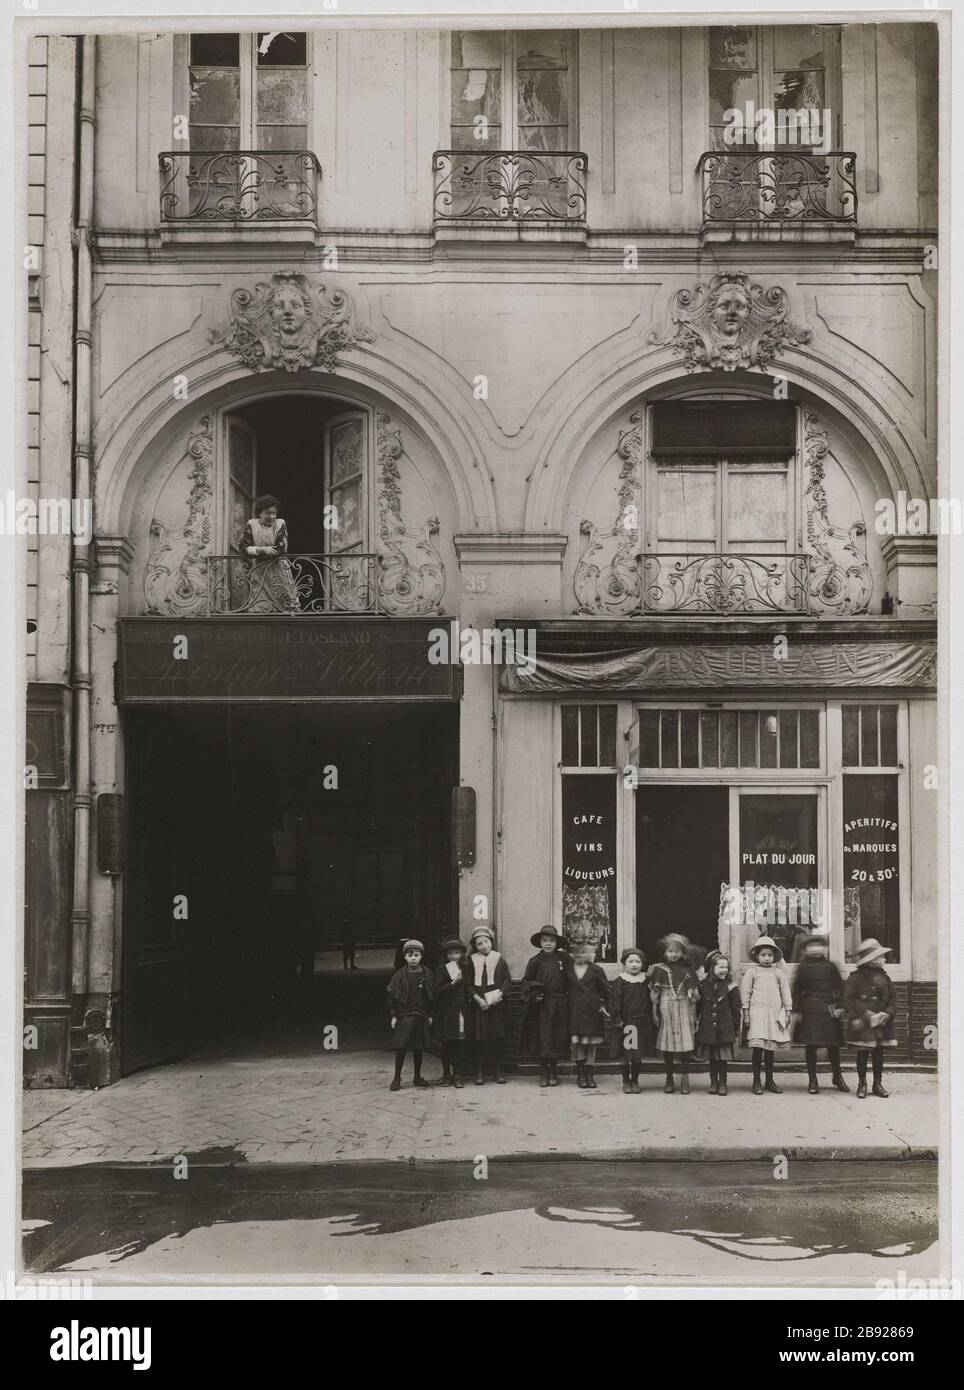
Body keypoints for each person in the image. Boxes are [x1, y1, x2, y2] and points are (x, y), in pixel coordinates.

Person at [791, 932, 849, 1094]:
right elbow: (796, 989)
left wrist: (840, 1006)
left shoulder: (831, 966)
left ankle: (837, 1076)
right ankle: (812, 1080)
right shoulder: (802, 968)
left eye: (820, 946)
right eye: (812, 946)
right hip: (809, 1009)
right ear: (806, 949)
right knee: (812, 1045)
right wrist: (797, 1010)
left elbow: (841, 988)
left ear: (825, 948)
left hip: (829, 1009)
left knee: (833, 1045)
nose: (816, 949)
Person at [844, 938, 898, 1099]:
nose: (884, 959)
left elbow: (893, 998)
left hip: (881, 1022)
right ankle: (862, 1084)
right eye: (881, 957)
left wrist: (888, 1013)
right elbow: (849, 1000)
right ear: (871, 960)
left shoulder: (885, 978)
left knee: (878, 1054)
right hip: (864, 1023)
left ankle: (877, 1084)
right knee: (862, 1054)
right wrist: (863, 1015)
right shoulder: (856, 978)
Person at [518, 925, 570, 1088]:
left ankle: (554, 1071)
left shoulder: (564, 959)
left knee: (556, 1036)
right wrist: (535, 994)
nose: (548, 944)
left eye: (551, 941)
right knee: (543, 1037)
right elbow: (526, 981)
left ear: (557, 943)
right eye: (545, 940)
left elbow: (572, 979)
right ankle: (544, 1072)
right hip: (541, 1005)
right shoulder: (535, 961)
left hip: (560, 1003)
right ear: (540, 942)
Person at [648, 933, 699, 1095]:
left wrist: (693, 995)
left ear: (683, 953)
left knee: (684, 1046)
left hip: (684, 1007)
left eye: (677, 951)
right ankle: (669, 1078)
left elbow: (695, 993)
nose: (674, 954)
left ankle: (684, 1076)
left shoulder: (688, 970)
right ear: (665, 952)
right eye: (670, 951)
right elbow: (655, 995)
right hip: (666, 1008)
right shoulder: (659, 969)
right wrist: (655, 1012)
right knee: (668, 1046)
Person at [741, 934, 793, 1095]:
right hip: (757, 1014)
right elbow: (746, 992)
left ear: (774, 957)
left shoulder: (778, 973)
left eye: (770, 955)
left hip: (773, 1014)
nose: (767, 958)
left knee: (770, 1049)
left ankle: (769, 1080)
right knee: (758, 1049)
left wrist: (788, 1010)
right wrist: (746, 1012)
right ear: (757, 956)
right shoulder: (752, 972)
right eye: (763, 955)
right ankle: (756, 1080)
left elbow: (785, 991)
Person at [237, 494, 300, 614]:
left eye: (274, 513)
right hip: (260, 570)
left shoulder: (280, 524)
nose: (271, 517)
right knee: (261, 604)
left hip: (279, 569)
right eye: (268, 513)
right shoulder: (252, 525)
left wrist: (257, 550)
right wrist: (261, 550)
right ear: (260, 513)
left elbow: (282, 548)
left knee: (286, 601)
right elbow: (242, 547)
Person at [464, 926, 510, 1085]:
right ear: (475, 946)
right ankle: (480, 1072)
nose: (484, 946)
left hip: (496, 1005)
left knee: (496, 1039)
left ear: (491, 942)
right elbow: (468, 984)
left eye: (486, 941)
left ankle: (498, 1071)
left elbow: (507, 980)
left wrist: (500, 994)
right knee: (480, 1040)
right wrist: (478, 999)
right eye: (479, 943)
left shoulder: (499, 959)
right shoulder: (471, 961)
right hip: (480, 1007)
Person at [386, 939, 434, 1092]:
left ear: (421, 956)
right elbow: (392, 996)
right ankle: (396, 1077)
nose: (413, 958)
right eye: (410, 955)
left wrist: (430, 1014)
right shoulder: (399, 975)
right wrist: (393, 1015)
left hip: (421, 1014)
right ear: (405, 957)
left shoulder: (427, 973)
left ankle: (417, 1076)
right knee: (401, 1046)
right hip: (405, 1015)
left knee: (418, 1047)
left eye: (417, 955)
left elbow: (432, 997)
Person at [695, 951, 742, 1096]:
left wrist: (736, 1026)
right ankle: (713, 1083)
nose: (724, 970)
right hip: (708, 1027)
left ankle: (723, 1083)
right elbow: (698, 1008)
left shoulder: (731, 986)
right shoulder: (702, 986)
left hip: (724, 1027)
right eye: (720, 967)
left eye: (726, 967)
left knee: (722, 1059)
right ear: (711, 968)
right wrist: (695, 1023)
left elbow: (736, 1008)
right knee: (711, 1058)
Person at [565, 942, 610, 1090]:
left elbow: (605, 990)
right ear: (571, 955)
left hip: (592, 1011)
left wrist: (603, 1005)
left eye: (583, 953)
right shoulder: (567, 970)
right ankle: (581, 1074)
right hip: (575, 1011)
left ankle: (590, 1074)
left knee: (591, 1043)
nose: (579, 956)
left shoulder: (596, 970)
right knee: (577, 1042)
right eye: (576, 953)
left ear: (589, 954)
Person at [609, 947, 654, 1094]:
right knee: (626, 1053)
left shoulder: (646, 980)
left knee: (637, 1054)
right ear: (624, 963)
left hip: (641, 1022)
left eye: (638, 961)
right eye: (630, 961)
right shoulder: (620, 981)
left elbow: (652, 998)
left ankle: (635, 1080)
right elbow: (615, 1002)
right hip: (627, 1023)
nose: (634, 964)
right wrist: (618, 1020)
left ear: (642, 964)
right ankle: (625, 1081)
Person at [432, 936, 468, 1088]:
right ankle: (446, 1075)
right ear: (446, 956)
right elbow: (437, 991)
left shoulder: (465, 969)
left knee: (459, 1045)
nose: (454, 956)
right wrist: (452, 984)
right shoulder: (441, 970)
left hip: (461, 1012)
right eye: (450, 954)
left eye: (457, 953)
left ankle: (458, 1075)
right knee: (446, 1045)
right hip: (447, 1013)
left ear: (461, 954)